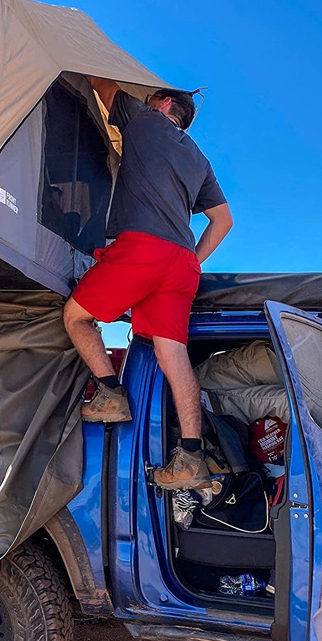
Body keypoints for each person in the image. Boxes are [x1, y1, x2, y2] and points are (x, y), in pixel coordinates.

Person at [63, 78, 233, 490]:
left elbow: (102, 84)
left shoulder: (144, 121)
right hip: (181, 264)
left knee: (76, 317)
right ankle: (191, 457)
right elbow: (223, 220)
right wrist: (191, 259)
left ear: (162, 103)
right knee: (172, 354)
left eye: (150, 97)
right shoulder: (199, 159)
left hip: (142, 247)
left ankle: (109, 392)